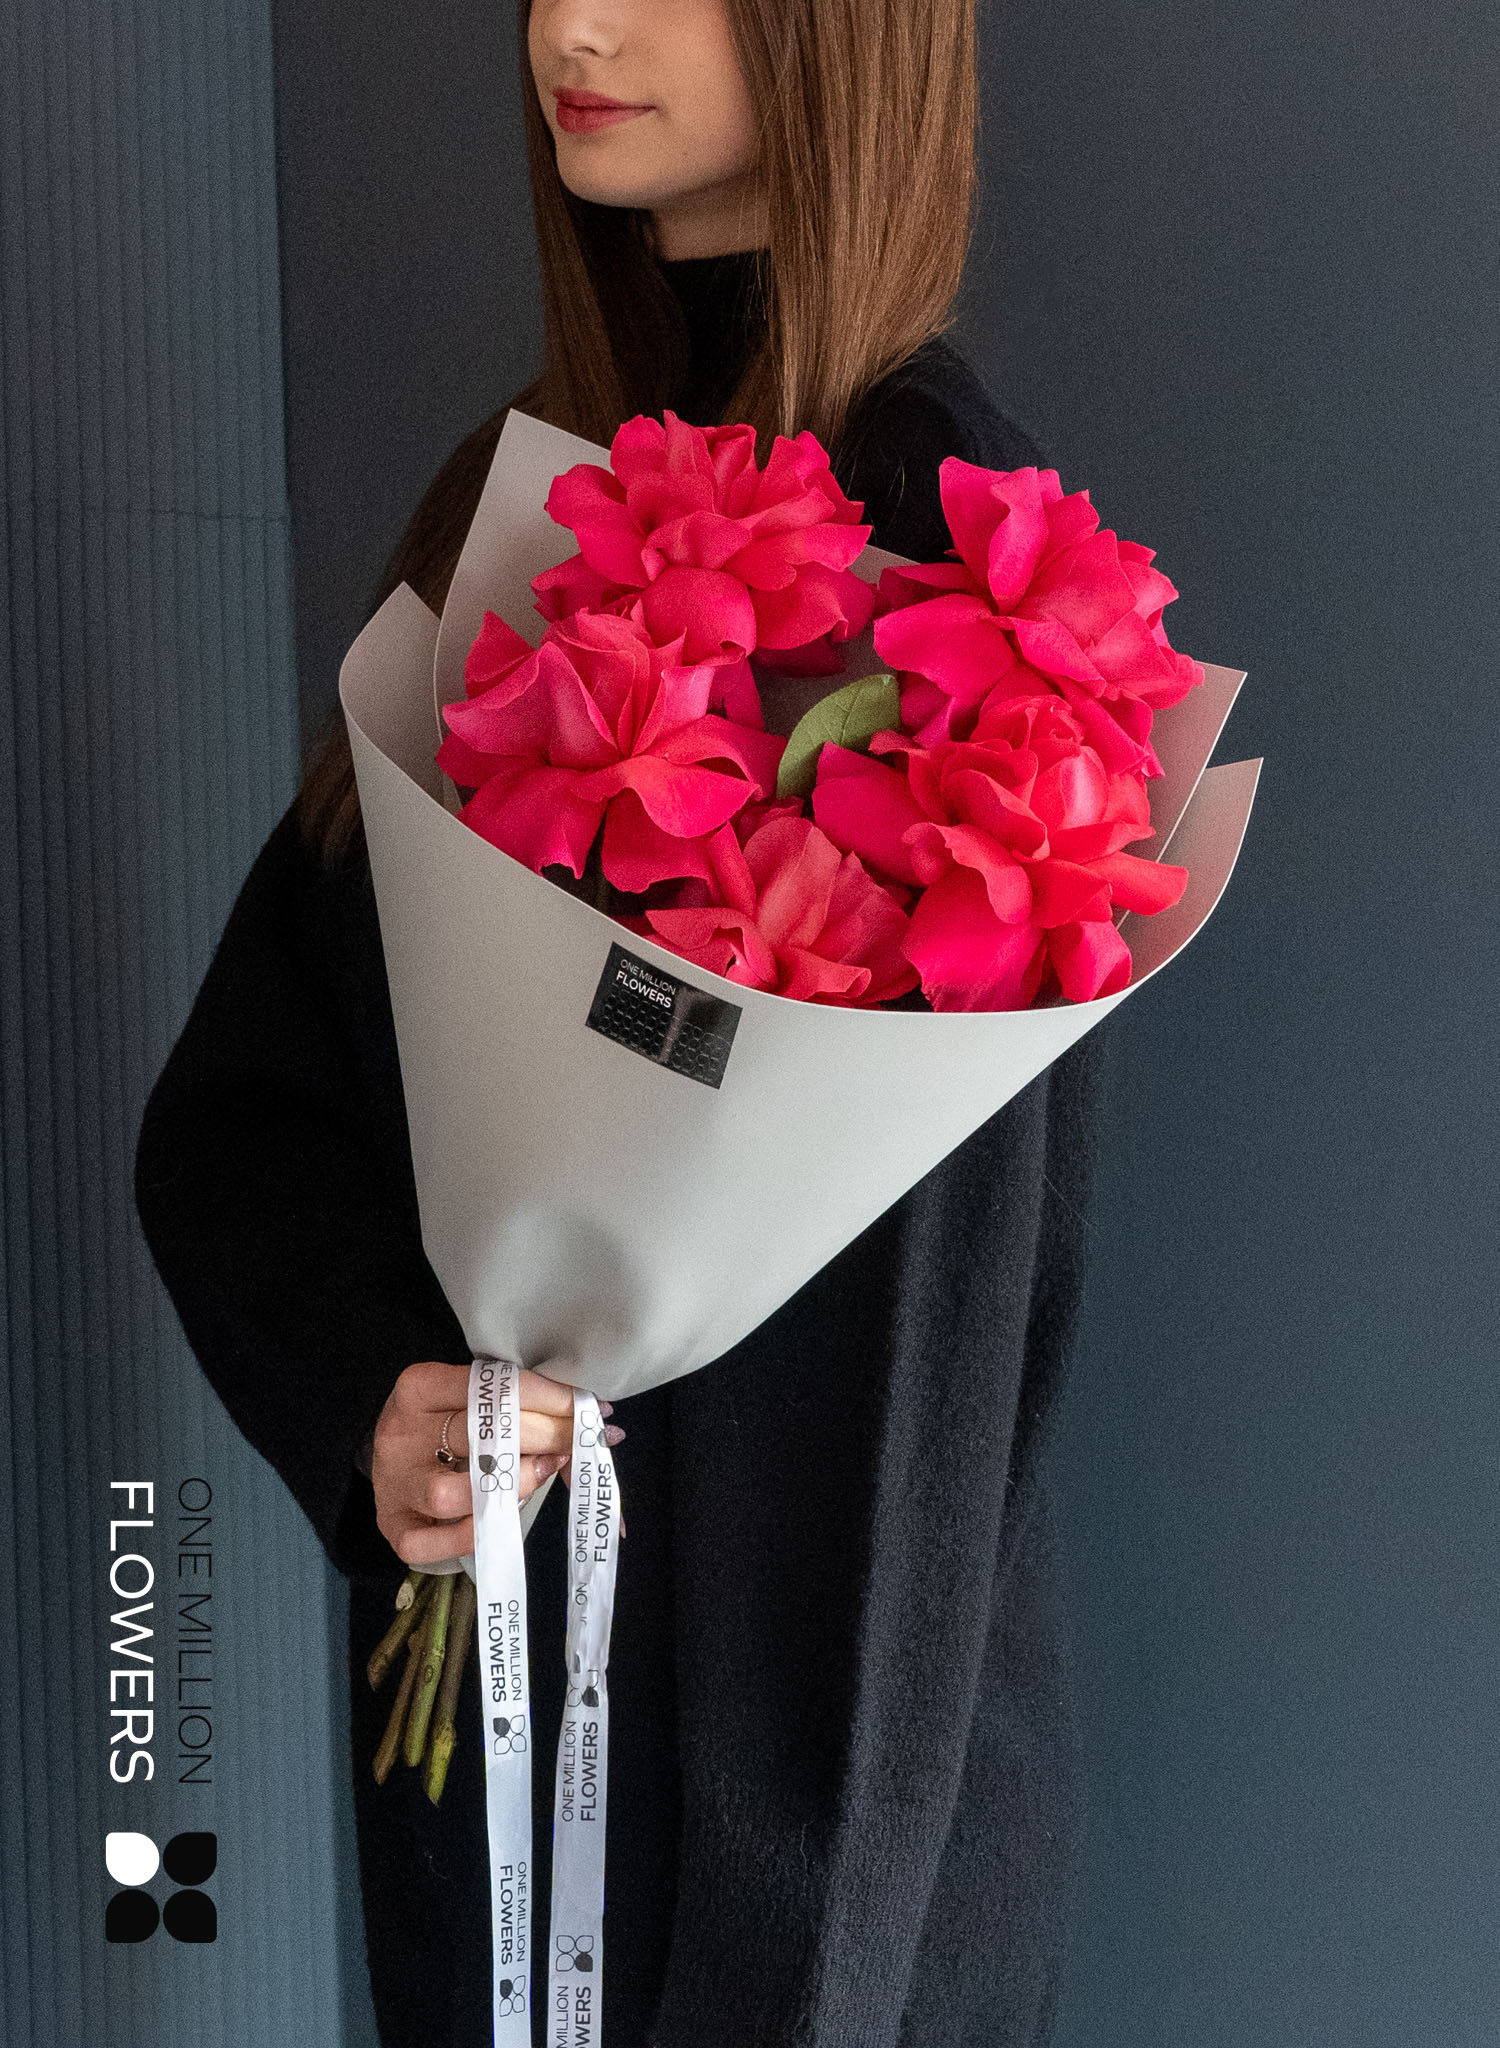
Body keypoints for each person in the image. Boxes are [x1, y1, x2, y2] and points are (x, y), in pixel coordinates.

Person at [134, 1, 1105, 2042]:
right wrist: (374, 1394)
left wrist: (787, 1980)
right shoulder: (524, 493)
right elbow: (251, 1102)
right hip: (492, 1782)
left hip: (805, 1891)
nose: (572, 22)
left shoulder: (951, 541)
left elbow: (913, 1401)